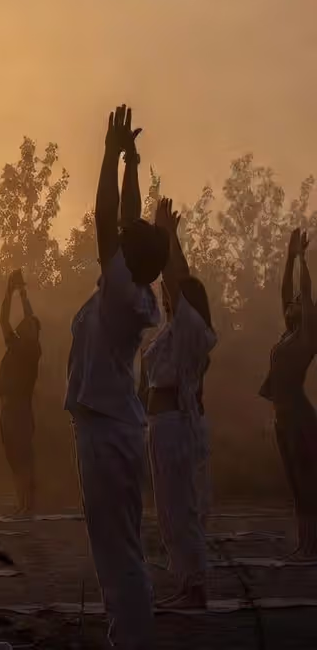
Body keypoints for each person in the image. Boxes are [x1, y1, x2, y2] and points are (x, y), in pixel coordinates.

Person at [66, 105, 166, 649]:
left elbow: (108, 219)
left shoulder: (123, 290)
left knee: (117, 549)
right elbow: (125, 222)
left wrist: (107, 155)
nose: (125, 236)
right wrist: (131, 162)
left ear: (132, 258)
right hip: (110, 426)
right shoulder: (133, 288)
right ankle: (128, 635)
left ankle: (131, 639)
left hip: (106, 431)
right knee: (119, 544)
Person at [144, 197, 216, 609]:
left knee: (181, 507)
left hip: (176, 425)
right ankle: (188, 583)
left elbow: (177, 281)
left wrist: (166, 237)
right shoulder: (176, 329)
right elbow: (178, 282)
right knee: (170, 508)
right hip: (165, 425)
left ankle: (195, 586)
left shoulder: (193, 331)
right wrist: (173, 238)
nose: (165, 297)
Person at [261, 227, 317, 559]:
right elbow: (286, 292)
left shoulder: (307, 337)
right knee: (295, 482)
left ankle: (312, 544)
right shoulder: (289, 334)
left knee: (307, 482)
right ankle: (305, 543)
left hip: (299, 417)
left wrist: (303, 260)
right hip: (282, 418)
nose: (292, 303)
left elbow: (305, 295)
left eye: (297, 303)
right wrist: (288, 257)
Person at [0, 269, 41, 518]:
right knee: (13, 456)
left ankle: (28, 503)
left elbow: (29, 317)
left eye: (31, 326)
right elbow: (3, 319)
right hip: (7, 408)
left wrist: (21, 293)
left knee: (23, 454)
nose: (26, 326)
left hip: (20, 408)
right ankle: (21, 501)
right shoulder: (16, 345)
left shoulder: (32, 350)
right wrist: (9, 290)